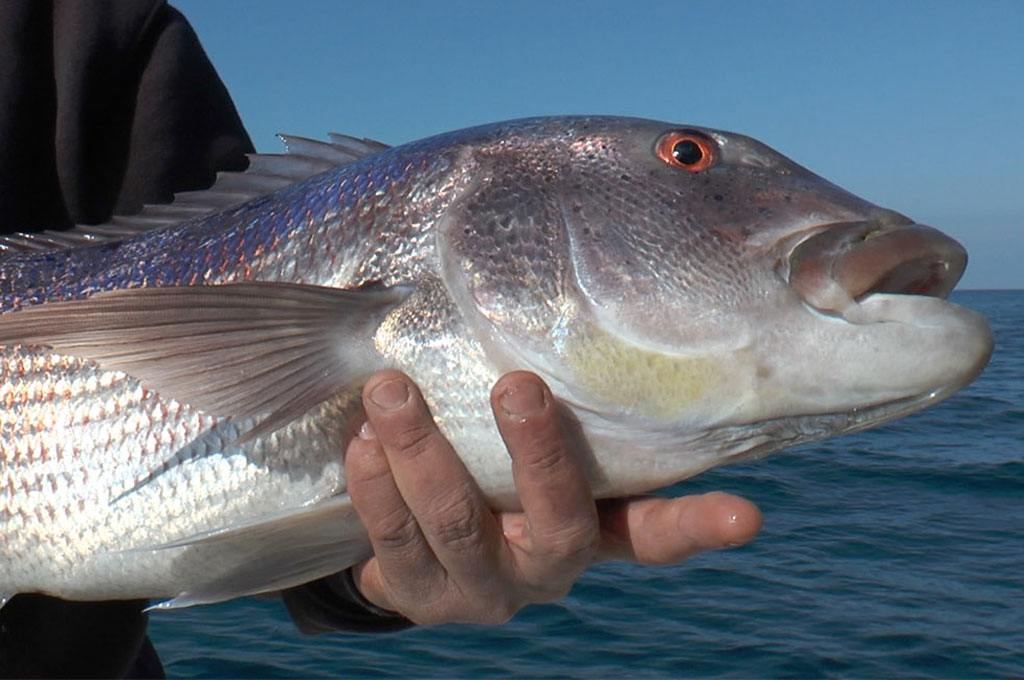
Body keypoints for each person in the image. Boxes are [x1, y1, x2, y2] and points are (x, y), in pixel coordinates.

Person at [0, 1, 762, 676]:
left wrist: (377, 561)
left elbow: (234, 438)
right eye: (686, 158)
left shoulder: (94, 27)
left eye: (686, 158)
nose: (696, 174)